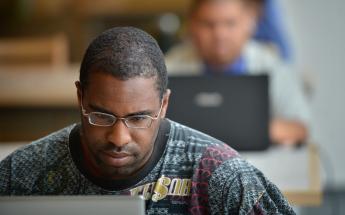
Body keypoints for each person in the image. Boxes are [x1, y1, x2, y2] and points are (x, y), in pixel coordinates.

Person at [0, 26, 295, 214]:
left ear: (164, 104)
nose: (118, 138)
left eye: (139, 118)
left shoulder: (220, 176)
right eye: (101, 116)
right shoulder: (20, 175)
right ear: (80, 99)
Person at [165, 0, 310, 145]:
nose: (220, 34)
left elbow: (300, 128)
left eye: (230, 23)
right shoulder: (168, 68)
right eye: (208, 24)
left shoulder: (272, 65)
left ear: (251, 23)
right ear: (192, 25)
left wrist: (239, 129)